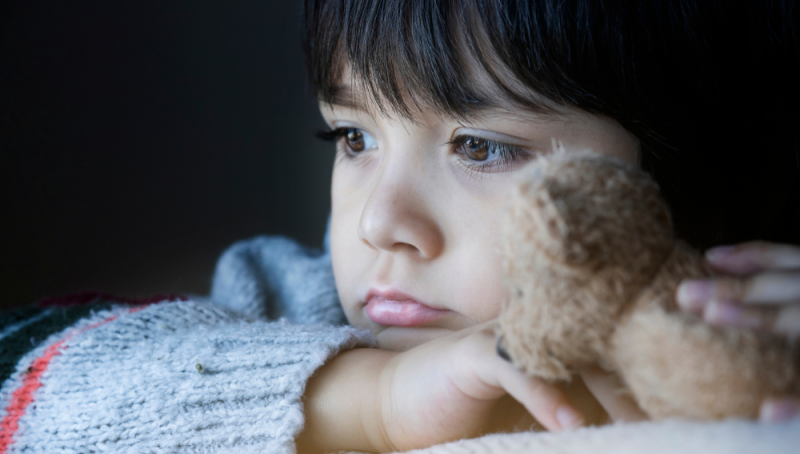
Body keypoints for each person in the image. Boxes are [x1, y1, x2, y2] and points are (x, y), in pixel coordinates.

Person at [0, 1, 797, 453]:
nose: (382, 223)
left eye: (480, 147)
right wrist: (371, 402)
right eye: (354, 138)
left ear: (687, 170)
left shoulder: (749, 329)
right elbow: (20, 377)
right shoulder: (284, 299)